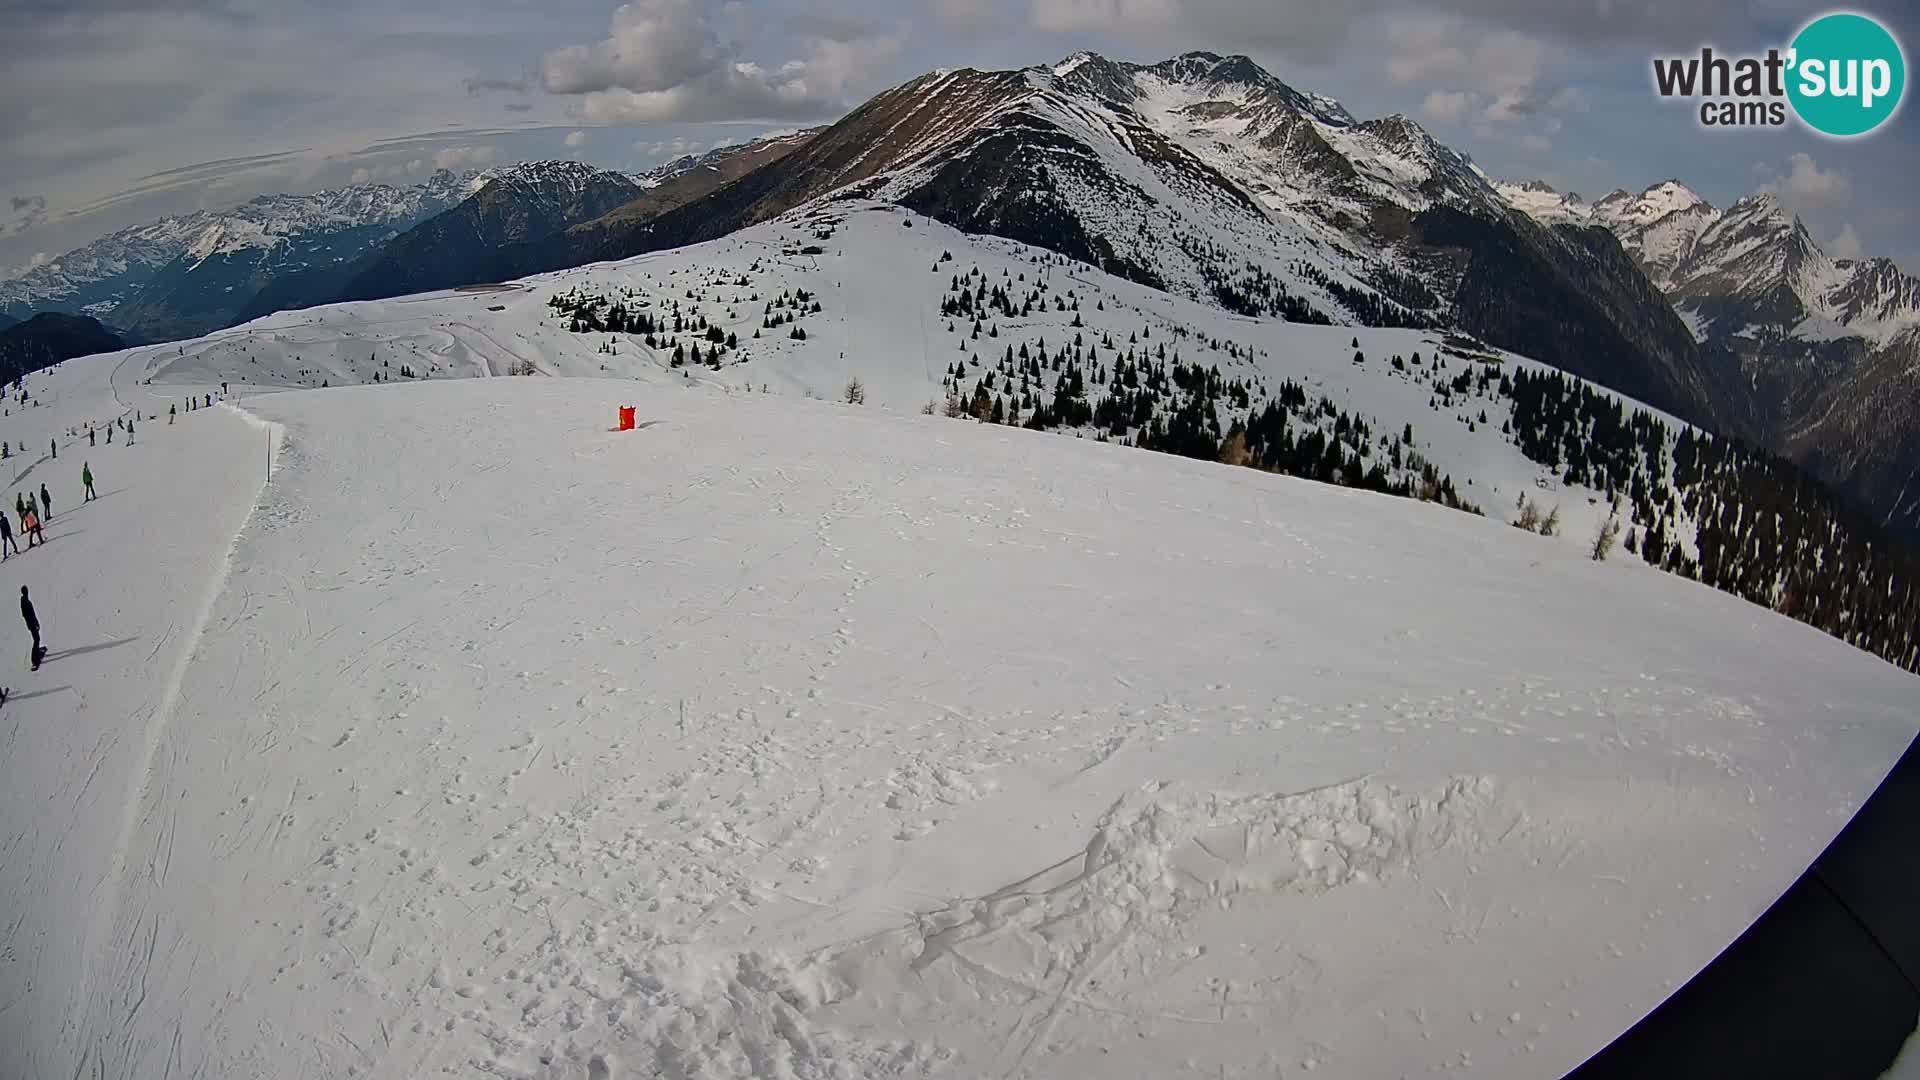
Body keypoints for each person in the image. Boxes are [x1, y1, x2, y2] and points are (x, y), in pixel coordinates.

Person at [20, 587, 41, 670]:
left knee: (37, 639)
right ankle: (34, 660)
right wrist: (34, 624)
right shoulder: (25, 602)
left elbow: (29, 614)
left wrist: (36, 623)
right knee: (37, 639)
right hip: (32, 624)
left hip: (32, 624)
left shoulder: (25, 601)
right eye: (26, 591)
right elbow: (29, 615)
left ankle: (37, 653)